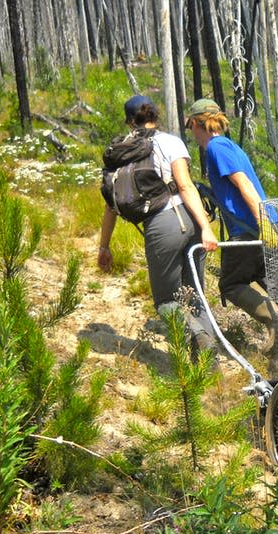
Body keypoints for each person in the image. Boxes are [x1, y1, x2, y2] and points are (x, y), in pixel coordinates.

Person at [98, 95, 219, 353]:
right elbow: (185, 186)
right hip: (188, 217)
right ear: (155, 115)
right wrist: (205, 226)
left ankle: (198, 339)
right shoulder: (170, 142)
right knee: (195, 293)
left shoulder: (122, 151)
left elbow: (111, 206)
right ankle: (209, 361)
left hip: (160, 225)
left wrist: (104, 247)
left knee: (166, 301)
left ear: (130, 121)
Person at [184, 98, 278, 358]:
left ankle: (276, 321)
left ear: (196, 123)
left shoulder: (217, 148)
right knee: (268, 279)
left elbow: (243, 185)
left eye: (190, 126)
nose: (191, 132)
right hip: (258, 225)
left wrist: (263, 223)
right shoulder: (228, 146)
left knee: (231, 284)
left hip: (250, 228)